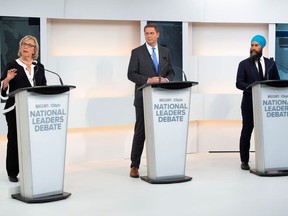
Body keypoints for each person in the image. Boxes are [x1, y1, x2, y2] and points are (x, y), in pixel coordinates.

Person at [127, 23, 175, 178]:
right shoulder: (137, 52)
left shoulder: (166, 51)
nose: (148, 36)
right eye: (146, 33)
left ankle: (160, 163)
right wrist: (148, 79)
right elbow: (131, 74)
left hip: (161, 98)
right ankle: (134, 165)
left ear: (157, 34)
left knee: (160, 132)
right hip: (143, 98)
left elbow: (171, 71)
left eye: (151, 33)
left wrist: (166, 79)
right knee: (140, 131)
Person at [1, 35, 47, 182]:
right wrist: (7, 79)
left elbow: (44, 87)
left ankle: (33, 168)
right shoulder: (12, 65)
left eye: (29, 45)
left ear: (35, 50)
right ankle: (13, 172)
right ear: (20, 47)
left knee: (34, 140)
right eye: (24, 44)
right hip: (15, 109)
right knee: (14, 139)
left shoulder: (39, 67)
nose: (26, 47)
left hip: (34, 110)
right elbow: (3, 90)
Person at [236, 35, 279, 170]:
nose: (253, 48)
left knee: (268, 132)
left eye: (256, 45)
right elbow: (239, 83)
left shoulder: (271, 64)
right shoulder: (243, 64)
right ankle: (244, 161)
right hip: (249, 103)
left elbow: (276, 82)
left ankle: (269, 158)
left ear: (262, 47)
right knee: (247, 131)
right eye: (252, 45)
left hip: (266, 105)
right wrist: (253, 87)